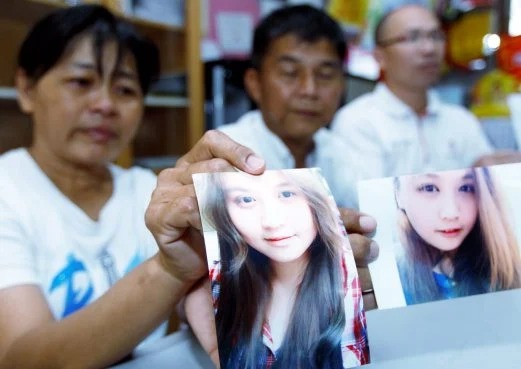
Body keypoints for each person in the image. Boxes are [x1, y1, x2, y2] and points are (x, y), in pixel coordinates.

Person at [0, 5, 377, 368]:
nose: (104, 104)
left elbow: (201, 308)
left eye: (126, 90)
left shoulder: (147, 191)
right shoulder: (9, 191)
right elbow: (20, 359)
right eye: (81, 82)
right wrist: (171, 270)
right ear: (27, 89)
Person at [330, 3, 521, 181]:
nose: (429, 49)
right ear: (380, 56)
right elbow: (369, 204)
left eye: (436, 36)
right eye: (412, 38)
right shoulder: (357, 122)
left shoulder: (462, 121)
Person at [198, 169, 368, 368]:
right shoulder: (224, 277)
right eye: (246, 200)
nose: (272, 221)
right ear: (224, 210)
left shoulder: (350, 284)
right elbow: (193, 296)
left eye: (287, 194)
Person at [218, 5, 359, 210]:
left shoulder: (342, 152)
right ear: (255, 83)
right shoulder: (227, 155)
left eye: (326, 75)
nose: (309, 90)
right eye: (290, 72)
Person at [394, 167, 521, 305]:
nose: (451, 212)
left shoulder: (506, 265)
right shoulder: (388, 274)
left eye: (465, 188)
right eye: (429, 188)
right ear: (398, 194)